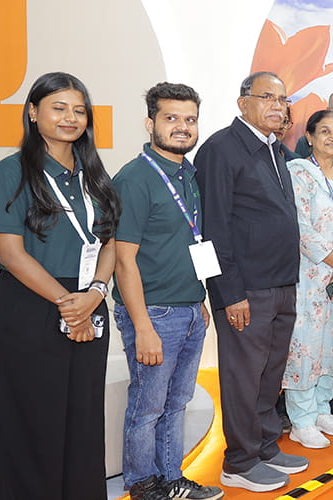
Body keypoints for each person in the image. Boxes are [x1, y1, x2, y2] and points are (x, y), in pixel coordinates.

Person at [0, 71, 120, 499]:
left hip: (88, 297)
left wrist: (94, 295)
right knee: (32, 416)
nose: (70, 118)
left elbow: (110, 241)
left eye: (79, 110)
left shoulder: (95, 174)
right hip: (32, 303)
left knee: (82, 416)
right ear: (33, 112)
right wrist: (67, 304)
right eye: (59, 108)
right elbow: (11, 253)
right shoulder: (10, 172)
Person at [195, 71, 307, 492]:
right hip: (246, 291)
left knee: (268, 374)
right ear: (243, 103)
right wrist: (228, 293)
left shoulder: (276, 150)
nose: (278, 106)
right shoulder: (222, 149)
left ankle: (263, 446)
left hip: (281, 284)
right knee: (244, 376)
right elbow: (213, 229)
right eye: (267, 97)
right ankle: (238, 461)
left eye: (283, 99)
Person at [111, 82, 224, 500]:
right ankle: (142, 485)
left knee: (176, 405)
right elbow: (124, 260)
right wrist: (142, 325)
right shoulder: (135, 178)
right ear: (150, 123)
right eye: (171, 118)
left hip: (190, 310)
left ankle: (171, 478)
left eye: (189, 119)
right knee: (147, 408)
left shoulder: (187, 174)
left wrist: (200, 302)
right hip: (154, 313)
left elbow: (191, 245)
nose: (182, 127)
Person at [282, 109, 333, 448]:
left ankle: (321, 408)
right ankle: (300, 418)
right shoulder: (297, 173)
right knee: (307, 345)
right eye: (324, 131)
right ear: (309, 137)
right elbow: (301, 228)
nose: (332, 137)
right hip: (311, 273)